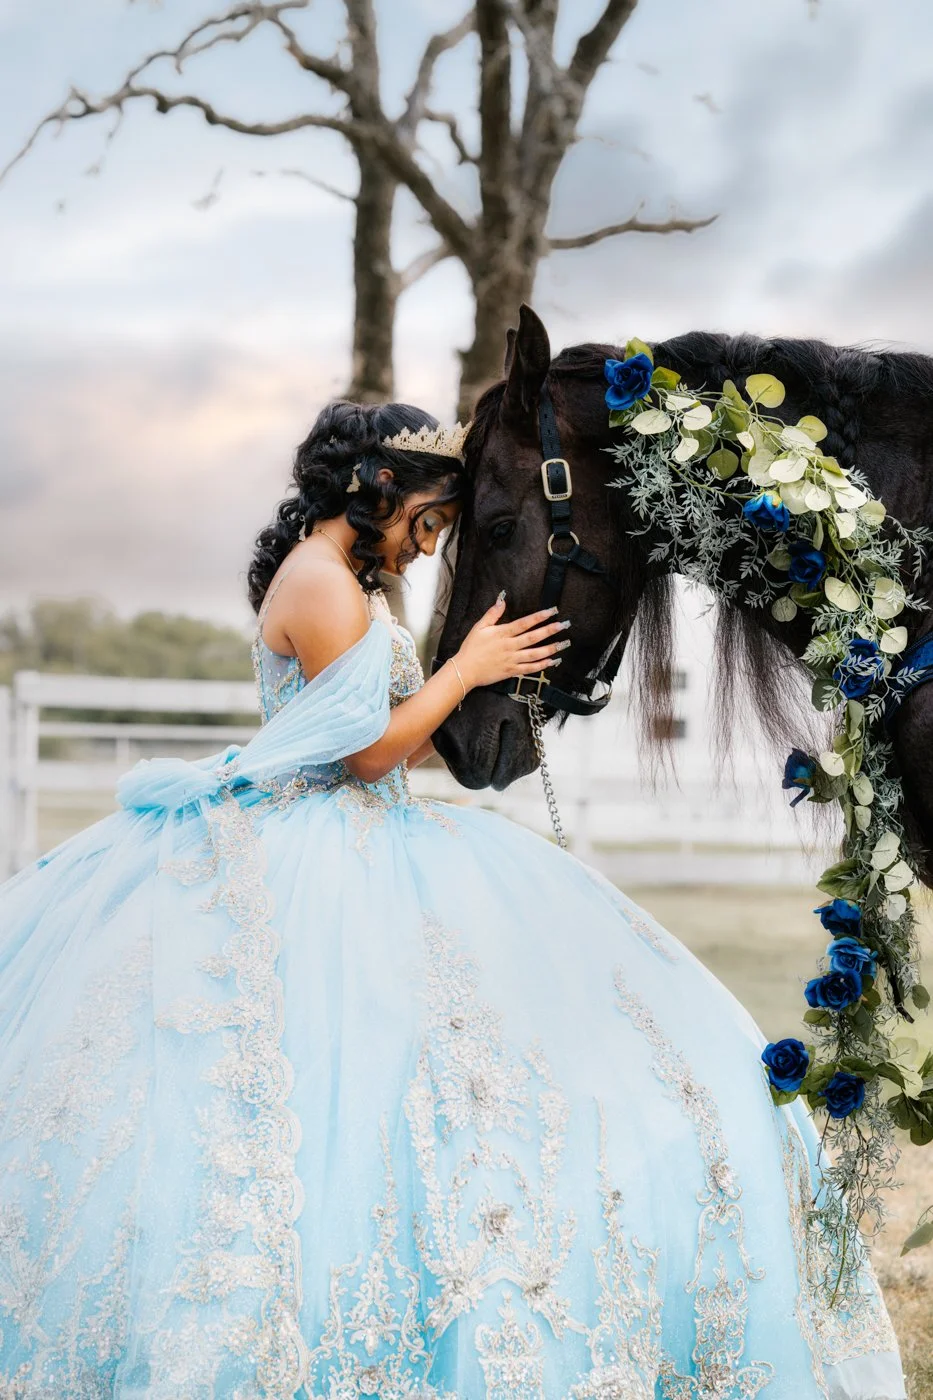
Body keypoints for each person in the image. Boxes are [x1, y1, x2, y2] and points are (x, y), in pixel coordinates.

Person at [0, 400, 905, 1399]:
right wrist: (471, 665)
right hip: (329, 843)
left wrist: (492, 689)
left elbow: (392, 735)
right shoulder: (317, 580)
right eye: (428, 524)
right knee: (324, 1083)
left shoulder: (346, 576)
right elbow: (367, 749)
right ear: (376, 486)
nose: (431, 548)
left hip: (376, 829)